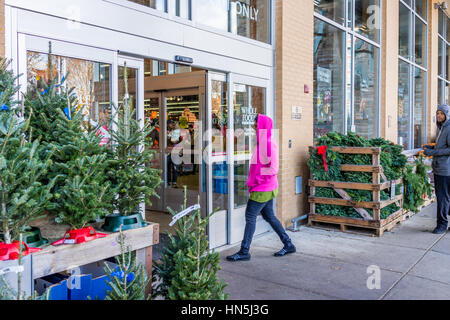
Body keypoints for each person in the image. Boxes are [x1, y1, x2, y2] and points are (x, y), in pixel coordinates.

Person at [226, 114, 296, 262]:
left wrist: (257, 179)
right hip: (265, 187)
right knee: (269, 216)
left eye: (255, 124)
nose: (253, 126)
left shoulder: (269, 143)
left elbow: (273, 169)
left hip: (263, 188)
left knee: (250, 217)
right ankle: (288, 243)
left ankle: (244, 251)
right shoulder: (262, 142)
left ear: (262, 126)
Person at [424, 105, 450, 234]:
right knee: (446, 198)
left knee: (442, 198)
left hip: (445, 170)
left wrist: (433, 152)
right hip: (443, 168)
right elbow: (444, 146)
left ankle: (442, 225)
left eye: (441, 113)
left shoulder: (448, 128)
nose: (439, 115)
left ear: (447, 115)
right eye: (437, 113)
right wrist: (432, 147)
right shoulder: (442, 127)